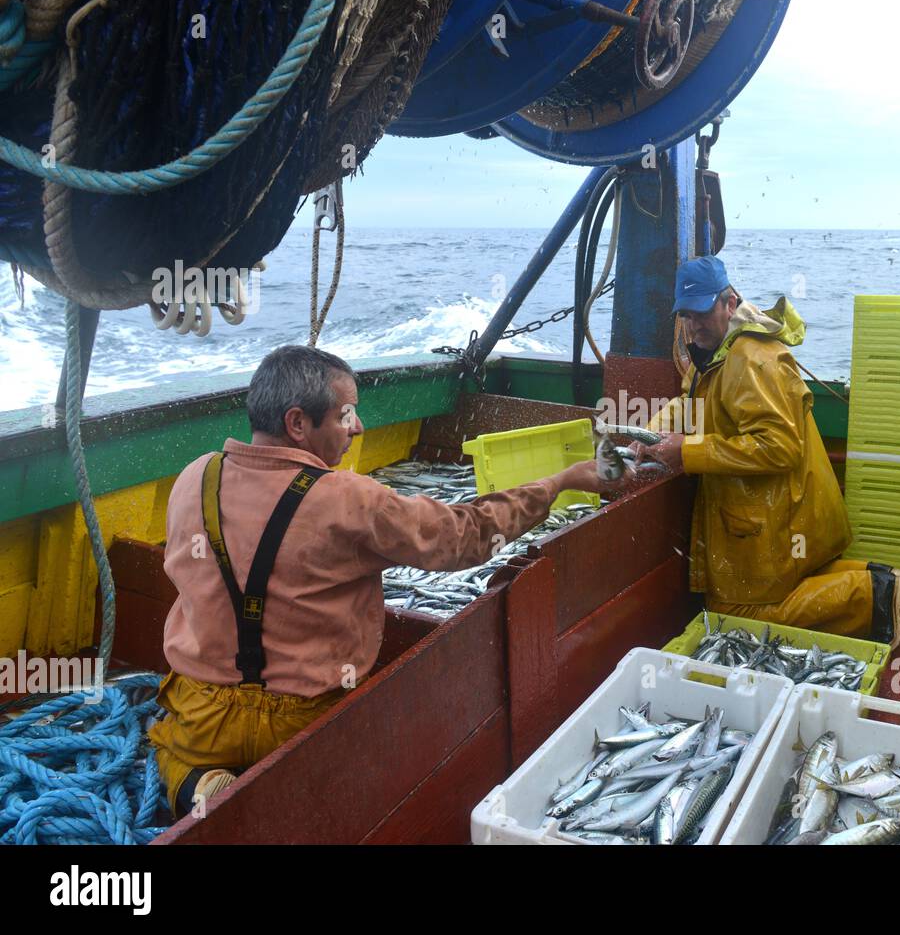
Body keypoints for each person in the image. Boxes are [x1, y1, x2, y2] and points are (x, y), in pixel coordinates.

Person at [149, 345, 621, 816]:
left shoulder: (196, 477)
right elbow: (467, 537)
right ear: (297, 424)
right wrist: (559, 483)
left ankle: (198, 784)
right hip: (305, 716)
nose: (357, 427)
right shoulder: (349, 498)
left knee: (169, 750)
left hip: (203, 708)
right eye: (345, 415)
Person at [636, 255, 900, 643]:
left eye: (702, 312)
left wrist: (687, 453)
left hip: (780, 511)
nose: (694, 325)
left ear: (729, 303)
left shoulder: (752, 359)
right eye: (686, 315)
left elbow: (779, 447)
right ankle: (873, 575)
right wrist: (647, 435)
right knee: (755, 592)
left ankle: (871, 597)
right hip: (765, 511)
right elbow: (690, 404)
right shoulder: (712, 349)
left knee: (731, 612)